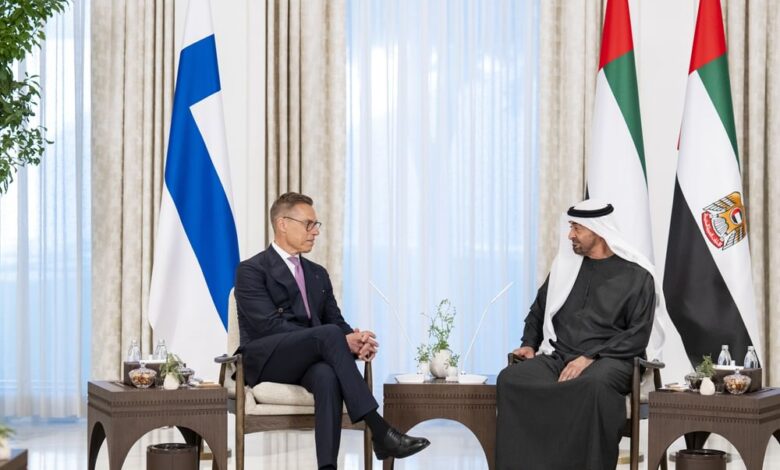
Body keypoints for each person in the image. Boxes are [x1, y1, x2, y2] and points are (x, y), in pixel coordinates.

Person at [234, 192, 430, 470]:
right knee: (327, 335)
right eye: (309, 224)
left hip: (311, 359)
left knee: (326, 375)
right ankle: (379, 429)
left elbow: (335, 322)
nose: (315, 232)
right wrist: (335, 339)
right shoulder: (251, 270)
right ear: (282, 224)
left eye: (316, 225)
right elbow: (268, 327)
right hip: (268, 360)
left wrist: (356, 341)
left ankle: (328, 467)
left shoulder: (317, 273)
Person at [496, 199, 660, 470]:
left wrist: (589, 357)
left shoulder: (638, 276)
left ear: (598, 230)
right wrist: (529, 343)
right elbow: (538, 310)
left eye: (577, 228)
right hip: (560, 356)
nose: (570, 235)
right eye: (571, 227)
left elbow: (638, 335)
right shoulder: (566, 269)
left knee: (592, 386)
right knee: (511, 379)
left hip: (613, 359)